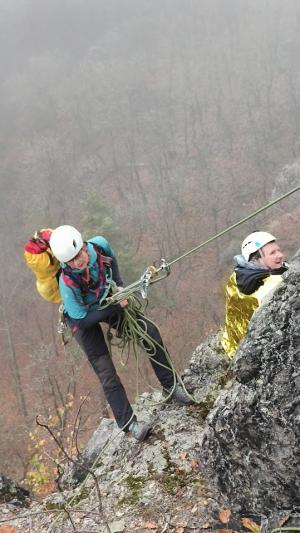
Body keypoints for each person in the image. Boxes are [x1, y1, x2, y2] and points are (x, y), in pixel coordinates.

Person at [49, 225, 192, 441]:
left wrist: (120, 285)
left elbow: (112, 262)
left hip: (107, 297)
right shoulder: (67, 283)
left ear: (84, 245)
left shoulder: (100, 245)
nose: (78, 262)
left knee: (148, 332)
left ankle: (170, 386)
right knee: (106, 372)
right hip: (84, 318)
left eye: (79, 255)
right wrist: (115, 307)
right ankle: (129, 423)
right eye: (72, 261)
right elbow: (84, 321)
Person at [221, 231, 288, 358]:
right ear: (256, 259)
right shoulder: (270, 285)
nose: (280, 255)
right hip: (252, 354)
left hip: (232, 347)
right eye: (272, 253)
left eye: (278, 250)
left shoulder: (237, 276)